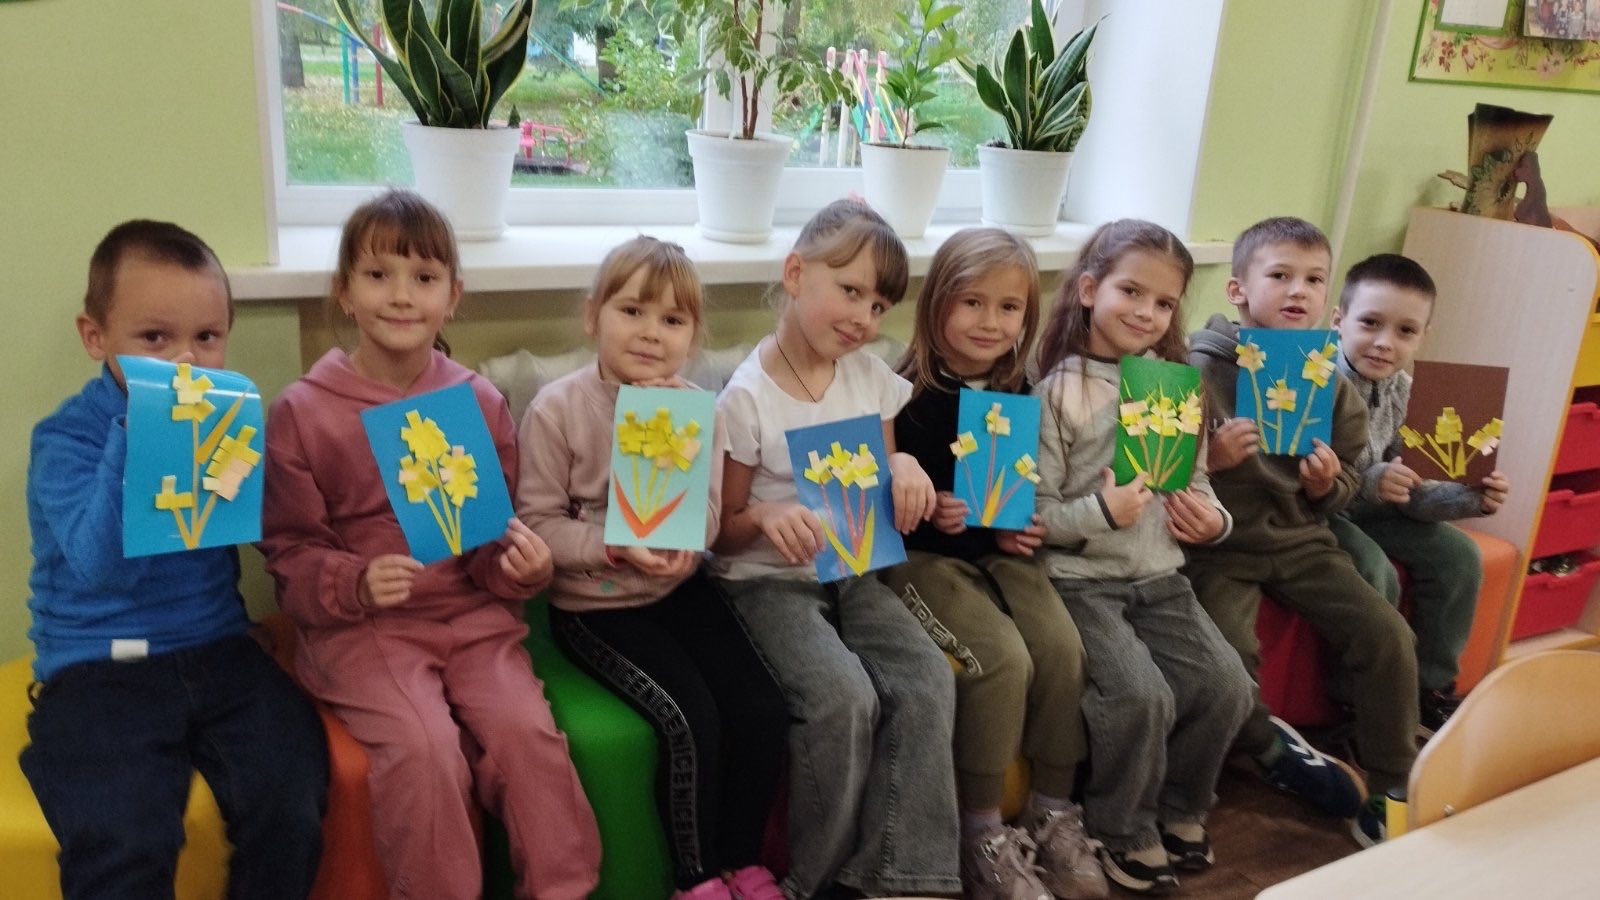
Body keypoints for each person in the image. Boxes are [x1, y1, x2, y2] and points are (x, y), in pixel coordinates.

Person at [259, 190, 600, 899]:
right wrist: (353, 582)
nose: (400, 296)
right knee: (424, 751)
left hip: (474, 621)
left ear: (453, 297)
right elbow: (289, 553)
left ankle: (564, 888)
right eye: (377, 275)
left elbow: (492, 543)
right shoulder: (303, 411)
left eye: (423, 277)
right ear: (344, 292)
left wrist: (520, 567)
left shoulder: (477, 403)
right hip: (367, 632)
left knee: (527, 739)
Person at [20, 220, 327, 899]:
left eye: (207, 337)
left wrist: (267, 470)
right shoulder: (66, 440)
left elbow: (267, 533)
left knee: (291, 797)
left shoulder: (219, 418)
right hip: (100, 664)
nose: (186, 360)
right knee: (123, 834)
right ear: (95, 337)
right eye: (155, 339)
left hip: (218, 649)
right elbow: (103, 569)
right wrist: (139, 442)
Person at [516, 236, 788, 900]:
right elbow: (538, 524)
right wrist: (615, 543)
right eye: (632, 311)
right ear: (593, 316)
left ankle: (744, 861)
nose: (650, 332)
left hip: (678, 591)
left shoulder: (696, 411)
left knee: (761, 709)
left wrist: (686, 532)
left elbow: (710, 521)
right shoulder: (557, 408)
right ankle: (697, 879)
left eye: (672, 320)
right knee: (689, 718)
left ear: (692, 338)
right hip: (595, 605)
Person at [709, 198, 960, 900]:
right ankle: (815, 881)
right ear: (795, 274)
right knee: (843, 697)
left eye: (879, 306)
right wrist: (766, 515)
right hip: (766, 583)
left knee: (927, 677)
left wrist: (905, 469)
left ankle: (900, 874)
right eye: (850, 291)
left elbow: (885, 468)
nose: (863, 318)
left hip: (853, 572)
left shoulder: (869, 377)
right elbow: (722, 528)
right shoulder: (747, 397)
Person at [879, 227, 1103, 900]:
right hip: (921, 559)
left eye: (1009, 308)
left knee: (1062, 648)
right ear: (936, 305)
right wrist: (930, 510)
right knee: (1000, 659)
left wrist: (1016, 528)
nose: (990, 322)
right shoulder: (899, 391)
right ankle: (981, 833)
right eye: (972, 302)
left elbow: (1015, 490)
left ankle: (1053, 811)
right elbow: (873, 500)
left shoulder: (1019, 390)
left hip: (997, 558)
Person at [1032, 219, 1253, 894]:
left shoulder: (1174, 386)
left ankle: (1181, 808)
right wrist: (1102, 512)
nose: (1145, 312)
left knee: (1228, 685)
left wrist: (1212, 520)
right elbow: (1036, 514)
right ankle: (1121, 827)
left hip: (1161, 578)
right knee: (1140, 695)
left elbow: (1198, 483)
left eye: (1163, 303)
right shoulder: (1057, 391)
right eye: (1130, 291)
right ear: (1090, 290)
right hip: (1081, 583)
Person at [1185, 216, 1419, 847]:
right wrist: (1212, 460)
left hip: (1301, 542)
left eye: (1315, 280)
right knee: (1228, 656)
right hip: (1219, 549)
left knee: (1387, 634)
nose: (1299, 290)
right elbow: (1163, 476)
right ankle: (1269, 747)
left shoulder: (1327, 381)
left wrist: (1325, 485)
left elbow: (1346, 481)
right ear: (1237, 290)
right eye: (1281, 275)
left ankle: (1393, 784)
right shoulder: (1195, 369)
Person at [1327, 253, 1511, 736]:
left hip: (1377, 512)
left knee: (1458, 556)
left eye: (1405, 331)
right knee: (1374, 570)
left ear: (1423, 337)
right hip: (1320, 511)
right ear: (1339, 320)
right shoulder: (1314, 380)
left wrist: (1470, 498)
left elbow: (1417, 493)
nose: (1385, 342)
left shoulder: (1411, 392)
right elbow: (1300, 473)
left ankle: (1427, 687)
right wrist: (1372, 482)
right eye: (1370, 323)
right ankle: (1356, 701)